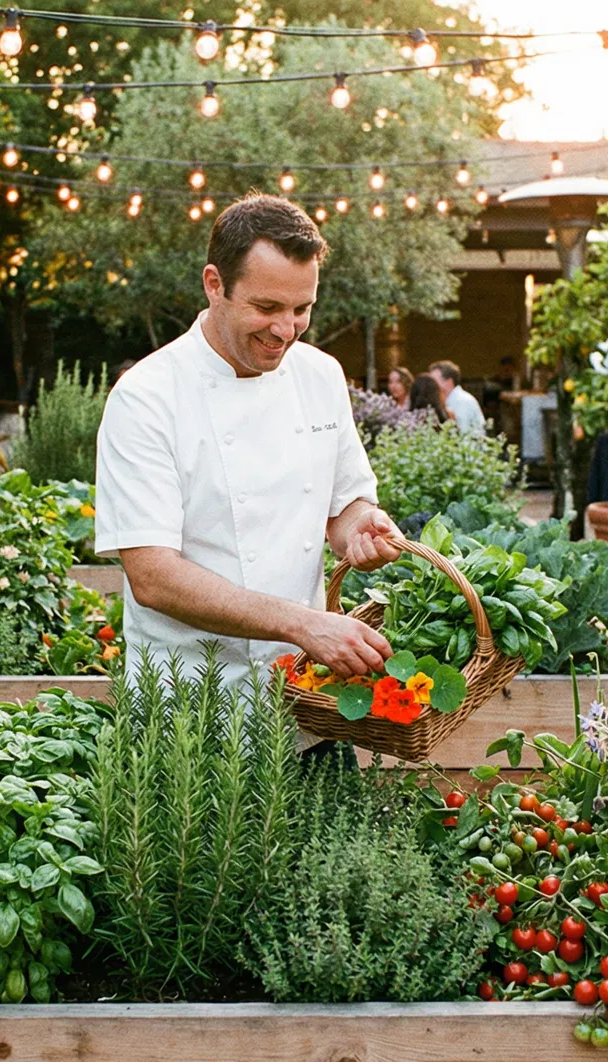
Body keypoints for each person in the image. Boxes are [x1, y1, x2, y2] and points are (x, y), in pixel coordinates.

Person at [94, 194, 403, 693]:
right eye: (267, 307)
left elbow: (344, 506)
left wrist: (361, 528)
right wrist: (303, 623)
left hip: (308, 691)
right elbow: (152, 576)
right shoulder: (147, 396)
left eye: (303, 309)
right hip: (190, 704)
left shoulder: (321, 376)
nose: (286, 330)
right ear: (215, 285)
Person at [428, 360, 485, 435]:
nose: (430, 385)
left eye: (434, 381)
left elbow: (463, 434)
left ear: (448, 381)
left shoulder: (462, 401)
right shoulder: (451, 400)